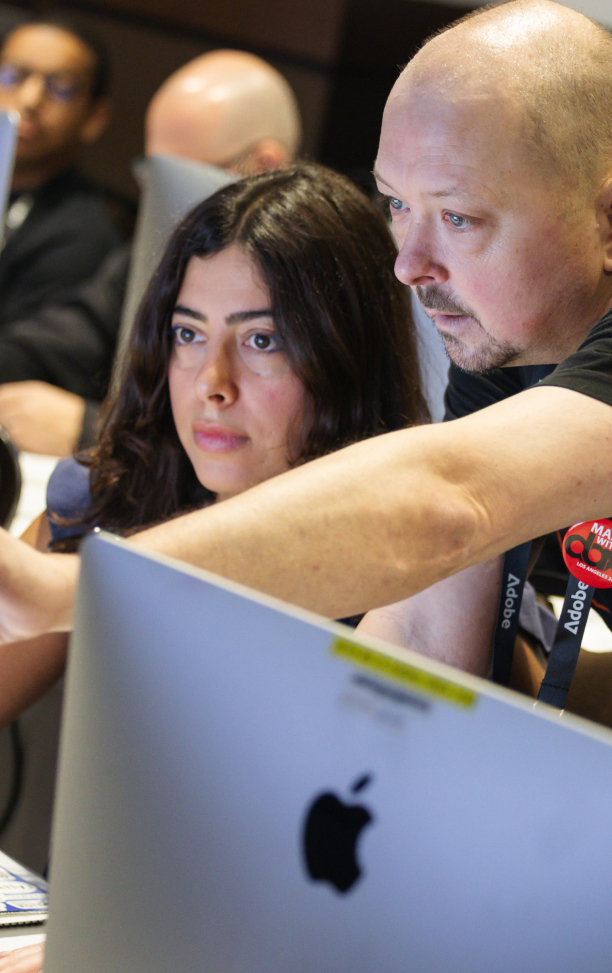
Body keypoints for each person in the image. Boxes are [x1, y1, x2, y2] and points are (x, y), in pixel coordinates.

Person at [0, 0, 610, 679]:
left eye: (459, 218)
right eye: (398, 205)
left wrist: (69, 588)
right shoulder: (500, 345)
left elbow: (447, 503)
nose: (409, 266)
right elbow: (419, 638)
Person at [0, 160, 427, 973]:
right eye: (189, 334)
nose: (211, 384)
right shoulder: (110, 497)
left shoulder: (419, 581)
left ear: (345, 354)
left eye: (262, 340)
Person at [0, 49, 302, 457]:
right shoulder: (151, 254)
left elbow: (288, 449)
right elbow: (64, 338)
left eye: (177, 179)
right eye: (151, 175)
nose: (158, 202)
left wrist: (95, 430)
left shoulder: (315, 285)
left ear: (264, 167)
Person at [0, 15, 121, 322]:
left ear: (94, 118)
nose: (30, 99)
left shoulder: (83, 237)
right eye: (12, 76)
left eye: (61, 88)